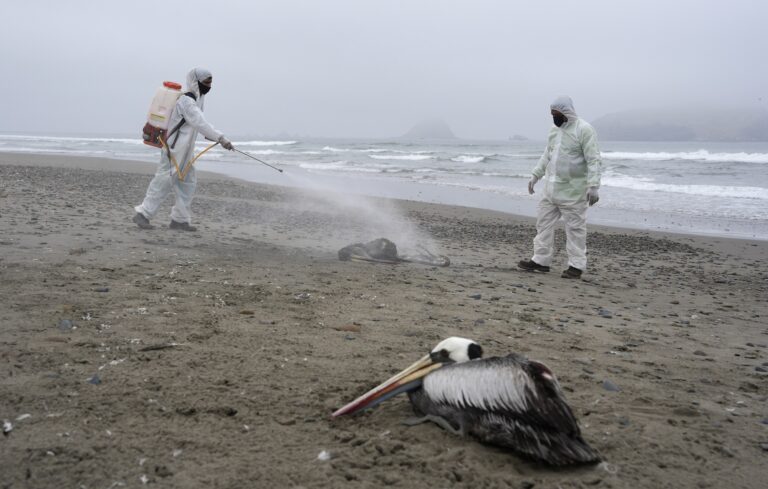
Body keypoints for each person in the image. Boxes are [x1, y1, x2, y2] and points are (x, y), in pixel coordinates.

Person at [133, 68, 234, 231]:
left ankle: (179, 220)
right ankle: (143, 214)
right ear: (196, 81)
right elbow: (200, 122)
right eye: (206, 82)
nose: (209, 86)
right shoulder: (186, 100)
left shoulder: (198, 100)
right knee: (163, 181)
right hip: (173, 149)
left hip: (186, 150)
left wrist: (216, 137)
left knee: (187, 183)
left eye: (210, 82)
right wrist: (221, 138)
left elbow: (198, 124)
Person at [518, 96, 602, 279]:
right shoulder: (554, 131)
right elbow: (547, 155)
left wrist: (594, 185)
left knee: (575, 229)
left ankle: (576, 266)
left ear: (566, 112)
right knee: (543, 225)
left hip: (573, 191)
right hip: (551, 189)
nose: (554, 117)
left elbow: (593, 159)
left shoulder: (584, 130)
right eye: (552, 114)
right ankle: (540, 260)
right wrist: (535, 175)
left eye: (556, 114)